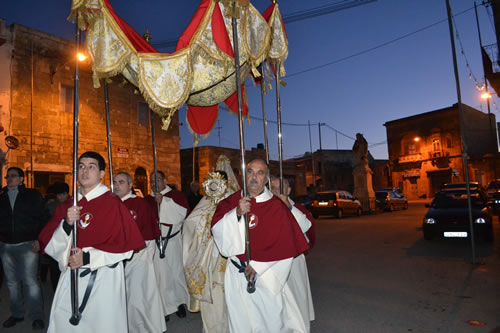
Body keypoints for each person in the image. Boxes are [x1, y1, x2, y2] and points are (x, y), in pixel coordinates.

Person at [38, 151, 145, 333]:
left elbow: (126, 248)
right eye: (81, 166)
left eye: (91, 167)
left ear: (102, 174)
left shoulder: (113, 204)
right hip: (71, 277)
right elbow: (49, 244)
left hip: (104, 278)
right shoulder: (68, 205)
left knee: (101, 325)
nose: (85, 171)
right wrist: (67, 224)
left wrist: (87, 258)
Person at [211, 159, 310, 332]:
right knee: (241, 322)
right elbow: (218, 232)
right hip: (236, 274)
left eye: (260, 173)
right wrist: (236, 213)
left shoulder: (277, 206)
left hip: (267, 274)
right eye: (250, 172)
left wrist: (259, 266)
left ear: (266, 180)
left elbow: (286, 246)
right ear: (243, 175)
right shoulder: (230, 202)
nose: (254, 177)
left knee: (270, 322)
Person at [183, 155, 240, 333]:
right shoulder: (206, 200)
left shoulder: (234, 199)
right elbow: (190, 223)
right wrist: (207, 221)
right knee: (214, 295)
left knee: (231, 295)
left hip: (230, 254)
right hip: (208, 256)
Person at [113, 172, 166, 333]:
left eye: (121, 182)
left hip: (139, 254)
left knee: (138, 293)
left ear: (130, 185)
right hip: (118, 255)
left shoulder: (139, 204)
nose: (116, 185)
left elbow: (148, 230)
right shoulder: (112, 203)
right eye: (114, 182)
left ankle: (141, 327)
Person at [0, 167, 46, 330]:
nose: (9, 179)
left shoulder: (32, 195)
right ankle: (17, 314)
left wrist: (39, 239)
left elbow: (42, 218)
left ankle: (37, 316)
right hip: (6, 246)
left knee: (30, 282)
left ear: (21, 179)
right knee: (12, 283)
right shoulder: (2, 197)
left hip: (27, 245)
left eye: (13, 176)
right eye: (7, 176)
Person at [270, 175, 316, 332]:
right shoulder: (265, 209)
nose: (274, 192)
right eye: (272, 188)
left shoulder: (298, 209)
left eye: (278, 188)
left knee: (297, 301)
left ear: (288, 190)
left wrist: (288, 206)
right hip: (271, 265)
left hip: (293, 263)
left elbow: (307, 228)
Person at [148, 170, 189, 321]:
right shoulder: (147, 199)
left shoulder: (176, 196)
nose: (154, 183)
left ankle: (179, 304)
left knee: (174, 274)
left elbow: (182, 215)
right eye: (151, 181)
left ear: (164, 180)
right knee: (160, 276)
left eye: (157, 180)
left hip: (171, 241)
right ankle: (163, 308)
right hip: (155, 243)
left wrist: (164, 203)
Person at [41, 182, 70, 291]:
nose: (60, 197)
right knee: (55, 269)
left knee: (59, 269)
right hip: (55, 239)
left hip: (64, 240)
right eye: (58, 195)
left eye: (62, 194)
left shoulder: (57, 205)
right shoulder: (53, 205)